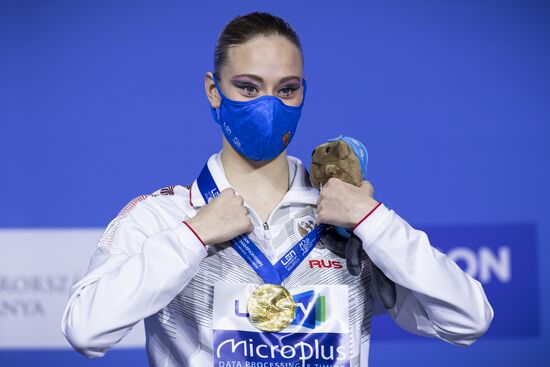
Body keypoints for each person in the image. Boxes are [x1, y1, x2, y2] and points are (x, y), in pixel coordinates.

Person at [61, 11, 494, 367]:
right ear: (214, 91)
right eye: (248, 87)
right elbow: (86, 329)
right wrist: (192, 236)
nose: (268, 106)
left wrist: (372, 219)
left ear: (303, 93)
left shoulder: (349, 219)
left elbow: (469, 319)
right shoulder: (163, 216)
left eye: (286, 90)